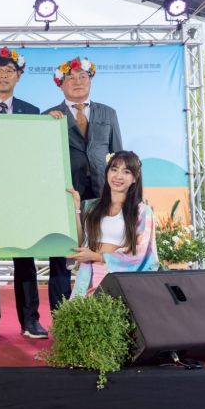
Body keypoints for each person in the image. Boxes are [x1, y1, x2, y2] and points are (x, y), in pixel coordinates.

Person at [0, 46, 49, 340]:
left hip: (19, 198)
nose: (3, 76)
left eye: (9, 71)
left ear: (19, 76)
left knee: (24, 259)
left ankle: (30, 320)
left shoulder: (32, 112)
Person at [45, 56, 123, 307]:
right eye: (70, 77)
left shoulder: (108, 113)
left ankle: (103, 307)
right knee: (62, 255)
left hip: (103, 194)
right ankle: (60, 314)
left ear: (90, 80)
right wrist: (48, 125)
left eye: (83, 76)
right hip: (67, 195)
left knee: (101, 251)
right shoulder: (49, 116)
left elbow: (118, 155)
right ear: (60, 84)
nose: (77, 81)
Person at [68, 151, 159, 296]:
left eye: (126, 172)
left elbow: (141, 254)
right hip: (88, 277)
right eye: (114, 169)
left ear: (135, 178)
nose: (118, 176)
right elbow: (79, 244)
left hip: (118, 280)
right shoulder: (91, 207)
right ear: (107, 173)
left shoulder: (142, 212)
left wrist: (97, 256)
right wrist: (76, 209)